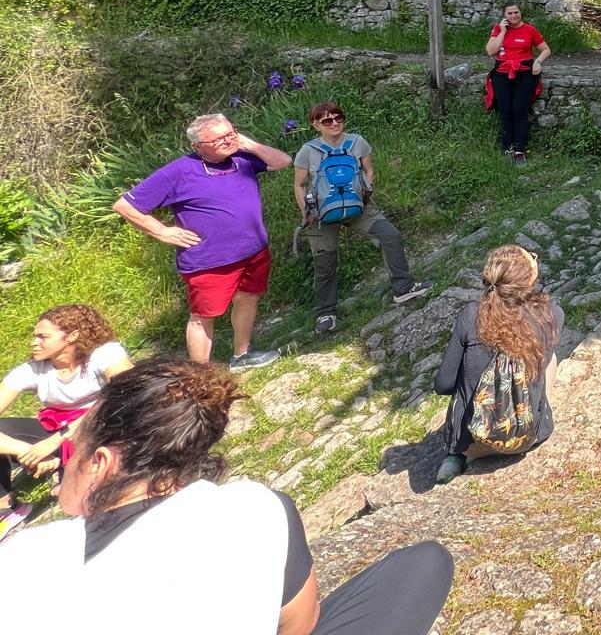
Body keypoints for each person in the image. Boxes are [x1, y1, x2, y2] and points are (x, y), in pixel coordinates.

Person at [0, 358, 455, 633]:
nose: (65, 464)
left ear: (100, 463)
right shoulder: (256, 507)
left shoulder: (27, 557)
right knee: (425, 562)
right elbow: (301, 625)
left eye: (71, 451)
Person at [112, 114, 291, 370]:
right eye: (218, 139)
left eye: (231, 133)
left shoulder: (242, 158)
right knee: (203, 316)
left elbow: (283, 161)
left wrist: (248, 143)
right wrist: (162, 231)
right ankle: (201, 374)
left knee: (248, 298)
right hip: (209, 261)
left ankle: (242, 355)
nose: (228, 141)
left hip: (254, 251)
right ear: (197, 146)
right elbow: (125, 206)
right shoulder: (179, 171)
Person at [293, 101, 430, 336]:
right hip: (322, 215)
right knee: (324, 262)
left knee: (390, 236)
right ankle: (326, 313)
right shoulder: (307, 151)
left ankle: (404, 288)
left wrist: (367, 192)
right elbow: (299, 184)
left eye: (338, 118)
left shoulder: (358, 142)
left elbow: (368, 169)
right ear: (316, 125)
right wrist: (307, 212)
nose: (334, 123)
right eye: (327, 120)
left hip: (358, 206)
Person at [0, 305, 134, 543]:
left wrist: (56, 439)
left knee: (118, 422)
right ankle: (6, 508)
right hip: (57, 432)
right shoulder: (34, 370)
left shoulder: (103, 354)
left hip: (104, 427)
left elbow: (130, 390)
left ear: (72, 336)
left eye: (43, 337)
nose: (34, 342)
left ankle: (79, 477)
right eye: (35, 336)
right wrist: (27, 451)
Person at [433, 245, 564, 484]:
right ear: (530, 277)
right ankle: (537, 413)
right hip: (530, 436)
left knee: (468, 372)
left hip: (473, 442)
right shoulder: (551, 315)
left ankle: (454, 456)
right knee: (551, 359)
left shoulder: (471, 315)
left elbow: (443, 385)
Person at [485, 3, 551, 166]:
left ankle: (519, 150)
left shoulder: (530, 30)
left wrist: (537, 62)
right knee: (505, 110)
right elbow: (491, 51)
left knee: (520, 110)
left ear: (521, 13)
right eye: (510, 13)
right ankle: (507, 146)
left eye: (516, 12)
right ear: (504, 15)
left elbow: (546, 49)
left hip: (525, 73)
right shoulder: (498, 29)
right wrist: (503, 31)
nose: (513, 15)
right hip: (502, 73)